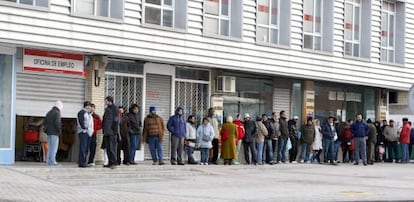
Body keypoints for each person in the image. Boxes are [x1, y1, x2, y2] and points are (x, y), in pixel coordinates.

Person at [44, 100, 63, 166]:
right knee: (54, 148)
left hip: (49, 133)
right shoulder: (57, 113)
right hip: (55, 133)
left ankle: (48, 161)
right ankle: (52, 161)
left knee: (49, 147)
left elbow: (45, 122)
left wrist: (46, 130)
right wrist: (59, 131)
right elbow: (57, 123)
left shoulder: (49, 112)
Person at [102, 96, 119, 169]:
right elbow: (104, 120)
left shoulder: (114, 109)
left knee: (112, 148)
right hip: (106, 132)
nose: (105, 102)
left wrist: (114, 130)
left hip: (112, 132)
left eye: (106, 101)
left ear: (109, 101)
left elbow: (116, 120)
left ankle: (114, 163)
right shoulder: (107, 109)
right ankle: (110, 162)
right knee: (108, 148)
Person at [77, 101, 93, 168]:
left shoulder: (88, 113)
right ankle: (81, 162)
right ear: (86, 106)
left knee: (86, 148)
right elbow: (81, 121)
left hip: (88, 132)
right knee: (83, 147)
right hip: (83, 132)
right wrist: (84, 127)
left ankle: (84, 161)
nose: (89, 107)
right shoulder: (82, 112)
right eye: (88, 106)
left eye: (90, 106)